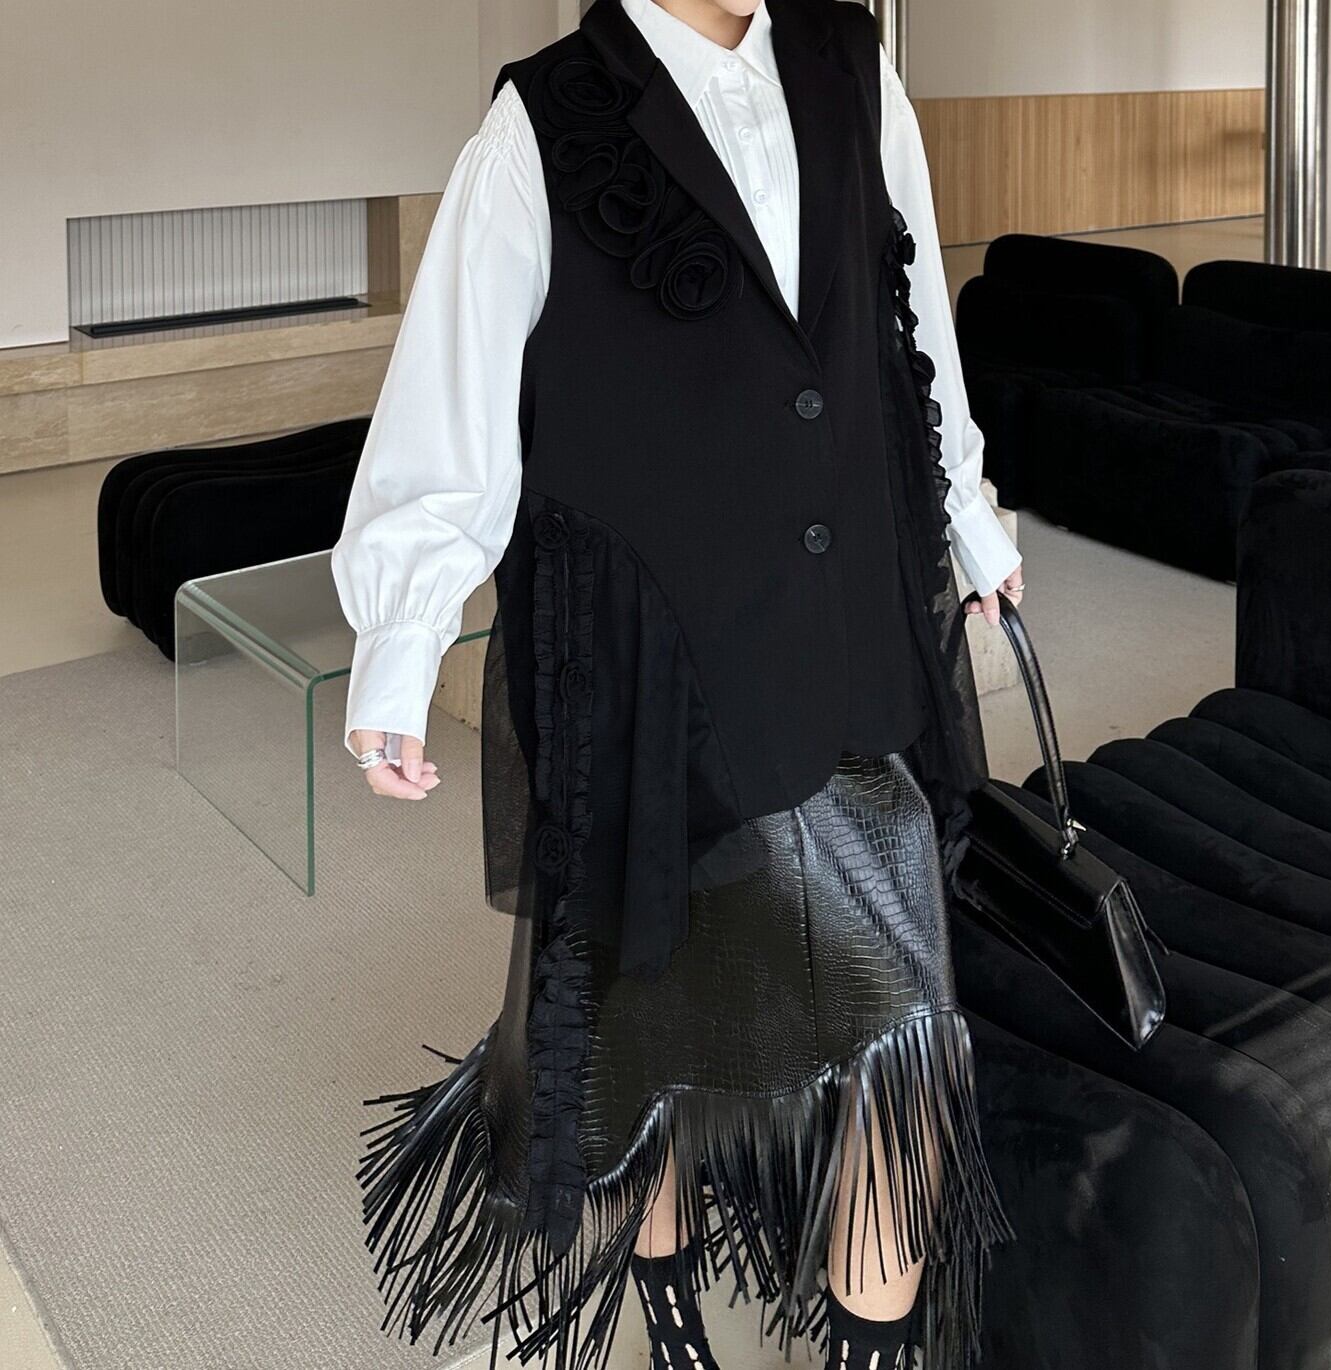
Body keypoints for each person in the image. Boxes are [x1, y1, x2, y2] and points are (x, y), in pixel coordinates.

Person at [332, 1, 1024, 1367]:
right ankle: (667, 1314)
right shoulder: (541, 120)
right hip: (650, 675)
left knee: (904, 1035)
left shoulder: (854, 69)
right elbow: (457, 395)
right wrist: (402, 640)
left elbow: (908, 336)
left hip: (846, 647)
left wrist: (972, 522)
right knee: (659, 1022)